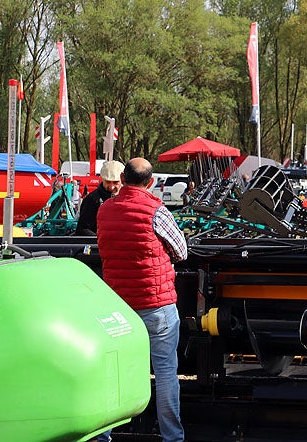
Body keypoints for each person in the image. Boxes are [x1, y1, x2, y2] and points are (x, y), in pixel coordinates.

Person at [97, 157, 187, 442]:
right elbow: (181, 251)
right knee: (164, 373)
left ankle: (103, 435)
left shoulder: (104, 210)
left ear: (122, 179)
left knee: (114, 373)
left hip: (118, 306)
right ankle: (172, 437)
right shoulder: (157, 211)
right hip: (156, 306)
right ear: (151, 182)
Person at [75, 161, 124, 236]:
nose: (112, 186)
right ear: (102, 179)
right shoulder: (92, 200)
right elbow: (82, 229)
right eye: (108, 182)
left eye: (115, 182)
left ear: (122, 180)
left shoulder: (127, 198)